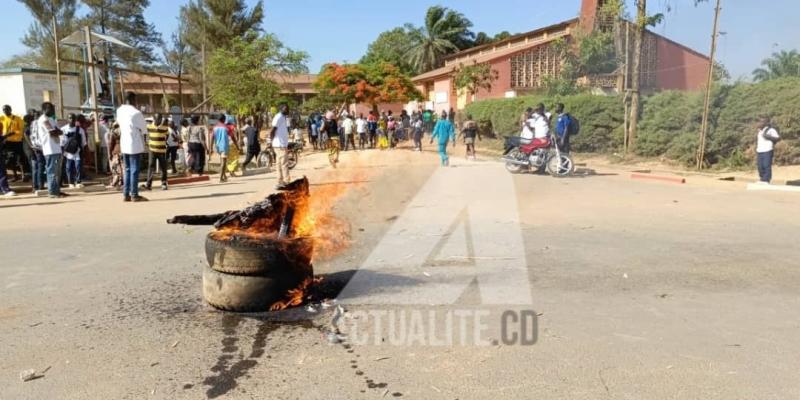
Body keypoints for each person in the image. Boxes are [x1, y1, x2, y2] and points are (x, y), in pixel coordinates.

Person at [116, 92, 148, 202]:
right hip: (134, 144)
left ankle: (126, 194)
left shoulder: (119, 110)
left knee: (128, 169)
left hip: (124, 143)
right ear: (133, 99)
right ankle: (134, 194)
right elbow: (144, 129)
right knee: (134, 170)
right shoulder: (136, 113)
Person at [35, 102, 66, 198]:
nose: (53, 110)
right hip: (49, 149)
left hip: (56, 147)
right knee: (51, 171)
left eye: (53, 108)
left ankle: (57, 190)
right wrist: (57, 131)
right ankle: (52, 192)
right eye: (50, 108)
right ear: (44, 110)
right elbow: (53, 132)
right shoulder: (43, 119)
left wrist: (57, 131)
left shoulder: (51, 119)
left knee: (57, 172)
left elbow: (59, 131)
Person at [1, 105, 28, 182]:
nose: (5, 111)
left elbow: (21, 130)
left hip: (17, 142)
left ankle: (23, 175)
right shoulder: (1, 119)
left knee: (20, 159)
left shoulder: (17, 119)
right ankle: (15, 176)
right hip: (7, 142)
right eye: (4, 110)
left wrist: (13, 133)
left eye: (7, 109)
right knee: (11, 159)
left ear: (10, 109)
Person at [143, 113, 169, 191]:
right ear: (154, 119)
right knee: (151, 166)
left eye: (160, 119)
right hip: (152, 150)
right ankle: (148, 184)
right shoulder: (149, 126)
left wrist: (163, 141)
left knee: (163, 167)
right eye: (158, 119)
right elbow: (145, 134)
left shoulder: (164, 127)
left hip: (162, 150)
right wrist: (146, 142)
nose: (159, 120)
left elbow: (167, 135)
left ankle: (164, 183)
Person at [60, 113, 87, 188]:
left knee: (78, 166)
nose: (71, 120)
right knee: (68, 167)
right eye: (70, 118)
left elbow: (83, 142)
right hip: (67, 152)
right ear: (67, 119)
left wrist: (82, 150)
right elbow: (61, 142)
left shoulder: (80, 130)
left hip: (77, 151)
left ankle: (78, 182)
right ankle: (70, 182)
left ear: (75, 120)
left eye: (73, 118)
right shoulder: (63, 129)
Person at [270, 104, 291, 188]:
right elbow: (272, 130)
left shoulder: (283, 117)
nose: (288, 110)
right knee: (284, 164)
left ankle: (280, 181)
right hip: (280, 145)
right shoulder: (278, 117)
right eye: (286, 109)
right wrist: (272, 141)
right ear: (281, 109)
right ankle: (286, 181)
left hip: (280, 144)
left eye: (288, 108)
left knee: (279, 164)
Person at [756, 116, 780, 184]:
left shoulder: (771, 130)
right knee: (760, 166)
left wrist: (768, 136)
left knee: (766, 165)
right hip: (759, 150)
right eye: (760, 121)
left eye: (762, 121)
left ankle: (766, 180)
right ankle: (762, 178)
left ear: (766, 122)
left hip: (767, 150)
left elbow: (778, 138)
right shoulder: (760, 130)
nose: (760, 123)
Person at [210, 115, 230, 183]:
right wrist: (237, 145)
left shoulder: (214, 128)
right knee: (224, 162)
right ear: (224, 120)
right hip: (224, 146)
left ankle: (224, 176)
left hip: (218, 146)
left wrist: (211, 148)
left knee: (222, 161)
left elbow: (212, 137)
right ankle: (221, 178)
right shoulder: (226, 127)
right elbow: (232, 136)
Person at [107, 122, 123, 189]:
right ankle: (121, 182)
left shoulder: (113, 134)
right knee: (122, 169)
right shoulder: (123, 132)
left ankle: (115, 183)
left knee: (115, 169)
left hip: (116, 153)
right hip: (123, 152)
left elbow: (110, 145)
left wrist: (110, 154)